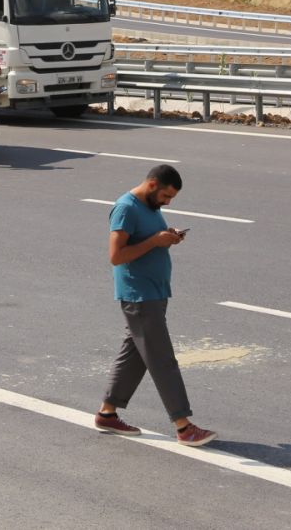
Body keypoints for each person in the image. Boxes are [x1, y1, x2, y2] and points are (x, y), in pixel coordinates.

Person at [94, 164, 217, 447]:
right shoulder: (126, 208)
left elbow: (149, 240)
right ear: (151, 185)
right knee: (162, 360)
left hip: (154, 292)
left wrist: (167, 237)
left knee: (135, 354)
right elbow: (116, 256)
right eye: (166, 196)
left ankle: (107, 413)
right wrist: (154, 241)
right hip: (139, 295)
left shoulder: (150, 207)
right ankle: (183, 426)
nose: (168, 202)